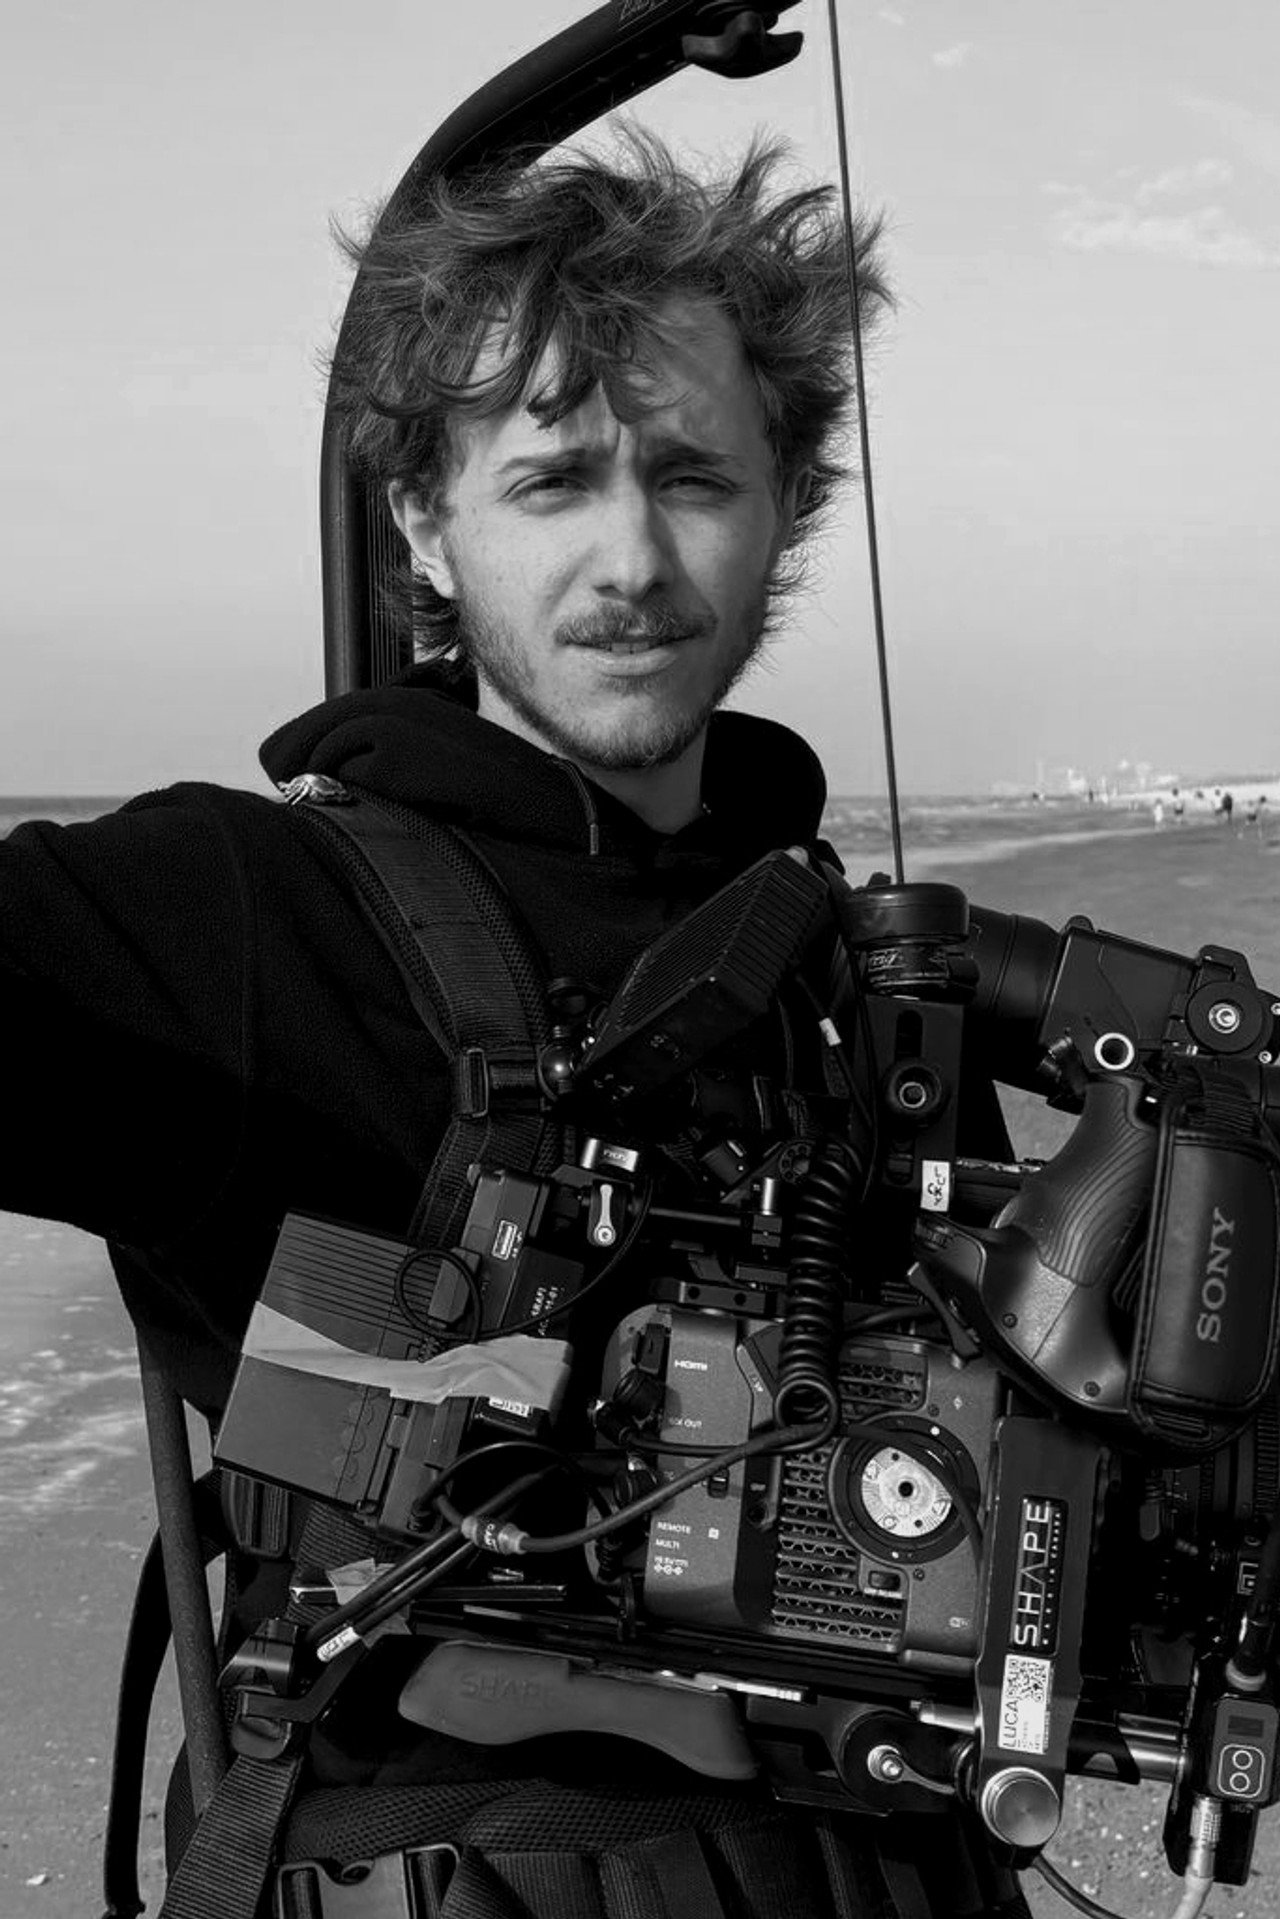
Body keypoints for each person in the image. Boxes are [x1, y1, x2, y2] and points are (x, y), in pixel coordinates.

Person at [1, 139, 1029, 1917]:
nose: (633, 558)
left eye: (694, 476)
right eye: (553, 481)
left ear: (788, 503)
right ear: (424, 517)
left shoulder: (868, 985)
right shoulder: (237, 915)